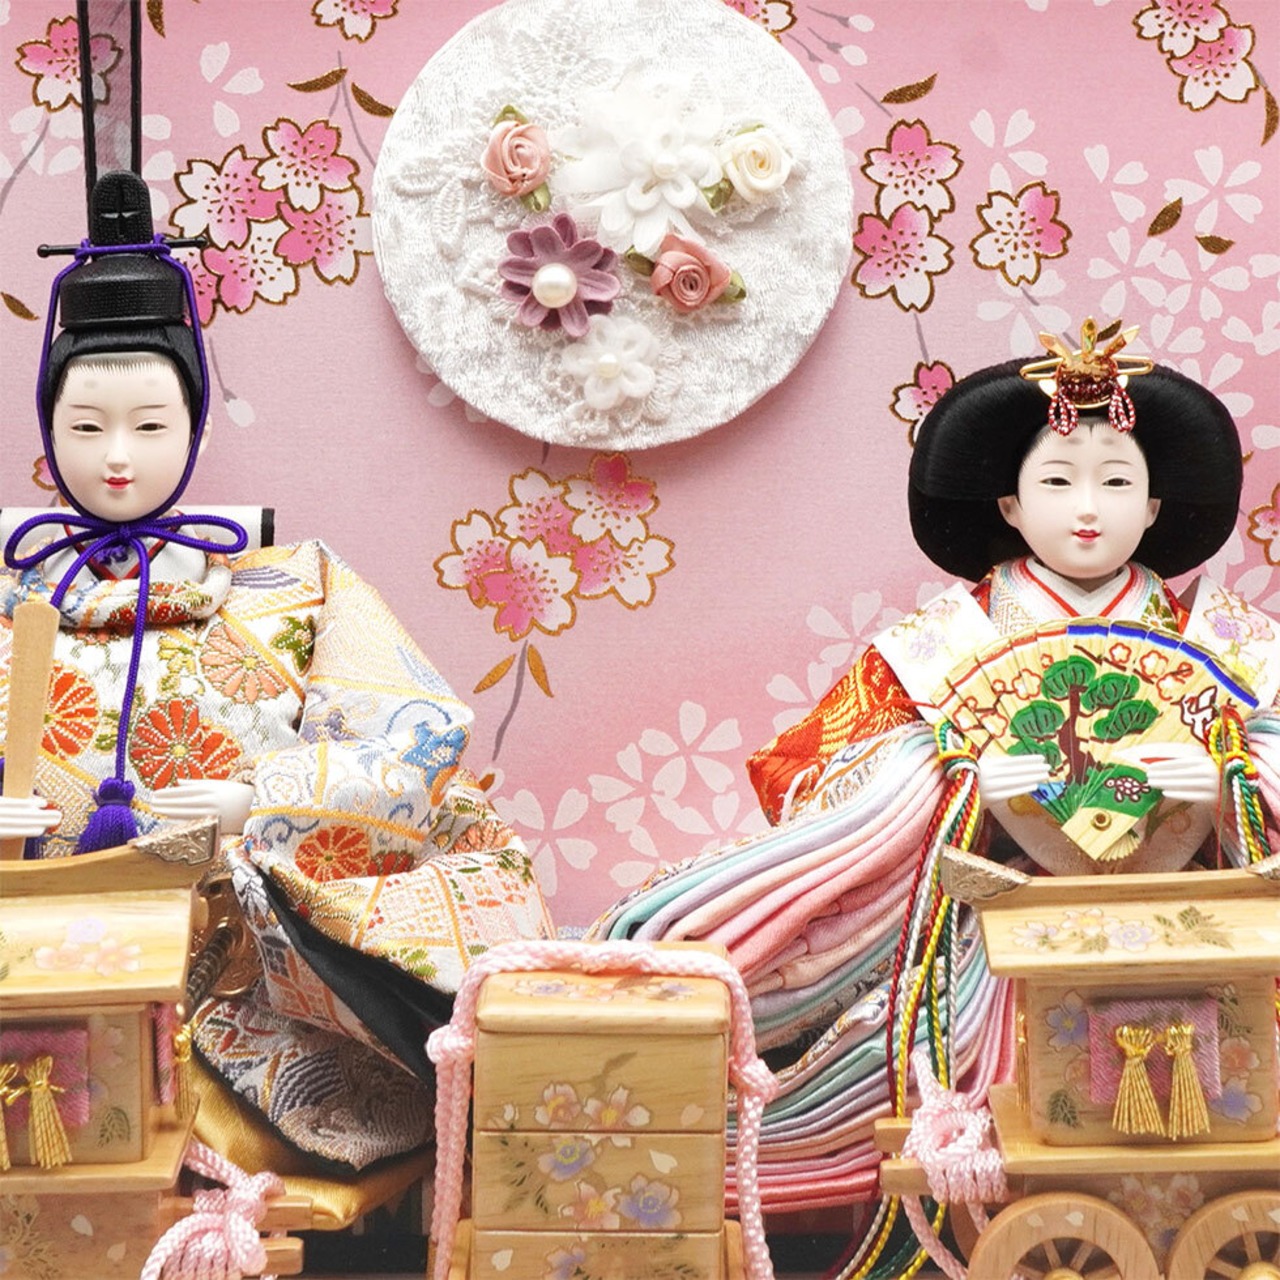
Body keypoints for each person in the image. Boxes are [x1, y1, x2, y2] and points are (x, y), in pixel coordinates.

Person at [1, 172, 554, 1195]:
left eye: (149, 426)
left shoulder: (295, 582)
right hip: (23, 965)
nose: (117, 459)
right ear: (47, 427)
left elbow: (418, 731)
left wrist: (263, 799)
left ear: (195, 425)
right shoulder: (9, 594)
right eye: (85, 428)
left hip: (235, 980)